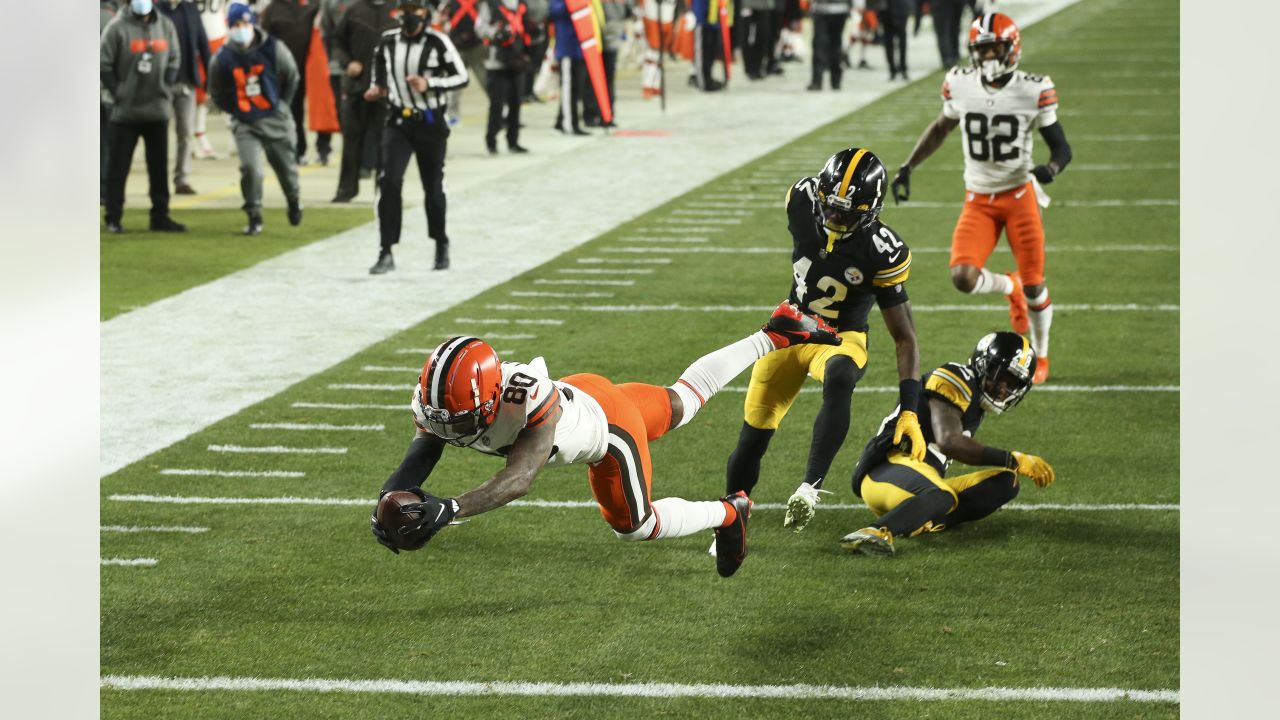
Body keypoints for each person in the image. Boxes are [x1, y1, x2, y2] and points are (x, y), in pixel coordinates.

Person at [368, 302, 844, 578]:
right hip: (587, 388)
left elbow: (519, 478)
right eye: (442, 417)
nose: (449, 427)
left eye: (460, 418)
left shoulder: (529, 400)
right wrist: (390, 499)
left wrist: (448, 510)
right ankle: (774, 333)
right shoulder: (442, 401)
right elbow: (423, 447)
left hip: (608, 431)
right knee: (682, 401)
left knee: (634, 525)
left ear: (492, 395)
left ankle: (729, 511)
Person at [723, 147, 926, 535]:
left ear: (870, 211)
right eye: (829, 207)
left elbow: (905, 337)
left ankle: (809, 487)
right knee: (752, 437)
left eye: (846, 214)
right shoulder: (801, 198)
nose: (833, 217)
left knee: (840, 376)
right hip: (790, 327)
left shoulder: (883, 250)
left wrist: (910, 409)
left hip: (839, 336)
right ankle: (732, 518)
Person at [890, 12, 1072, 385]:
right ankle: (1010, 287)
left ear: (1011, 49)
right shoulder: (960, 83)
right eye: (982, 50)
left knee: (1037, 283)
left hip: (1020, 195)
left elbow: (1061, 147)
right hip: (979, 198)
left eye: (994, 48)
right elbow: (942, 126)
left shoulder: (1032, 89)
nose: (988, 57)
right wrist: (908, 166)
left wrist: (1050, 169)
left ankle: (1041, 352)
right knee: (962, 276)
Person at [840, 332, 1055, 556]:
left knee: (1007, 482)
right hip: (887, 469)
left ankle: (923, 520)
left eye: (1013, 383)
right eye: (1001, 376)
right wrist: (1013, 458)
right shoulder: (955, 376)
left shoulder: (976, 404)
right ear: (984, 364)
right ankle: (875, 532)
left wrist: (1011, 466)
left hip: (921, 481)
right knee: (942, 495)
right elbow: (949, 442)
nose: (1003, 388)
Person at [366, 0, 470, 274]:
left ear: (426, 12)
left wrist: (431, 84)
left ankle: (440, 243)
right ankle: (385, 250)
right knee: (389, 182)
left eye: (417, 10)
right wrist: (378, 86)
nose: (410, 16)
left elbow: (462, 77)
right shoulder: (388, 41)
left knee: (432, 188)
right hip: (398, 120)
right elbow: (379, 63)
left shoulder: (438, 42)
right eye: (406, 10)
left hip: (430, 121)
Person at [208, 3, 305, 235]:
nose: (240, 29)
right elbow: (216, 92)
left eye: (244, 24)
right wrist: (234, 111)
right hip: (245, 121)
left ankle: (293, 200)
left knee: (286, 171)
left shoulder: (273, 47)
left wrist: (281, 105)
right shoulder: (222, 57)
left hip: (274, 118)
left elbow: (292, 76)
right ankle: (254, 214)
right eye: (235, 25)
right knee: (251, 169)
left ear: (252, 24)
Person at [101, 0, 187, 233]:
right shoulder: (117, 28)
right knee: (118, 168)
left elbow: (174, 58)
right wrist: (119, 92)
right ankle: (113, 216)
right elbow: (104, 63)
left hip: (156, 110)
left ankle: (160, 216)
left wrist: (165, 86)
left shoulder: (165, 26)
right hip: (125, 112)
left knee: (158, 169)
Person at [331, 0, 400, 202]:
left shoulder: (397, 11)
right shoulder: (354, 10)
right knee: (351, 140)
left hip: (386, 89)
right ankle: (346, 190)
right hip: (355, 87)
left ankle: (384, 192)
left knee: (385, 143)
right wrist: (347, 63)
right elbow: (336, 42)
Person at [157, 0, 212, 195]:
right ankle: (158, 180)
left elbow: (203, 44)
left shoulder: (190, 11)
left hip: (186, 81)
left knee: (185, 133)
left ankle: (181, 179)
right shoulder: (156, 11)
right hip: (159, 84)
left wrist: (209, 78)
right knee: (158, 134)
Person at [260, 0, 322, 164]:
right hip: (282, 73)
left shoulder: (313, 5)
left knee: (320, 108)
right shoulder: (273, 9)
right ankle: (294, 150)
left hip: (309, 68)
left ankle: (323, 149)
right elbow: (264, 40)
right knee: (291, 112)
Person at [478, 0, 533, 153]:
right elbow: (480, 27)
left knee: (516, 103)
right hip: (497, 62)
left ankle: (513, 141)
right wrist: (495, 33)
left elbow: (526, 26)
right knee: (497, 105)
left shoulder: (521, 4)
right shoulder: (490, 4)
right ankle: (491, 141)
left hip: (518, 60)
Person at [443, 0, 489, 125]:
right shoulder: (450, 3)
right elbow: (443, 20)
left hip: (476, 47)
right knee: (455, 83)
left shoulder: (481, 3)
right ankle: (452, 114)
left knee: (486, 80)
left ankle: (499, 110)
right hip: (457, 47)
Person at [807, 0, 849, 91]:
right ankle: (830, 81)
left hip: (834, 9)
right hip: (826, 8)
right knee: (828, 45)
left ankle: (822, 81)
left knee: (828, 45)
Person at [879, 0, 909, 80]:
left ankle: (897, 69)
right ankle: (896, 69)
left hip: (893, 9)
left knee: (893, 41)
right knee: (893, 41)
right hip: (891, 10)